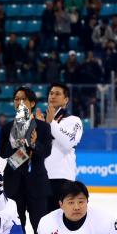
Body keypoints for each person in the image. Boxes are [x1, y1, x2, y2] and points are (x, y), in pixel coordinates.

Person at [0, 87, 53, 234]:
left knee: (40, 227)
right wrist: (14, 142)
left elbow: (46, 152)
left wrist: (34, 144)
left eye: (23, 99)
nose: (19, 102)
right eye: (16, 99)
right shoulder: (7, 127)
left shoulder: (43, 127)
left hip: (37, 182)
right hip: (13, 182)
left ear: (32, 103)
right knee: (15, 226)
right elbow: (2, 153)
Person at [44, 83, 83, 212]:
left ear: (66, 100)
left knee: (61, 223)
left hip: (62, 178)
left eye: (57, 94)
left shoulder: (73, 120)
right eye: (51, 93)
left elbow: (68, 142)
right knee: (41, 222)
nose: (53, 96)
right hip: (40, 177)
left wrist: (51, 123)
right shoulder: (40, 120)